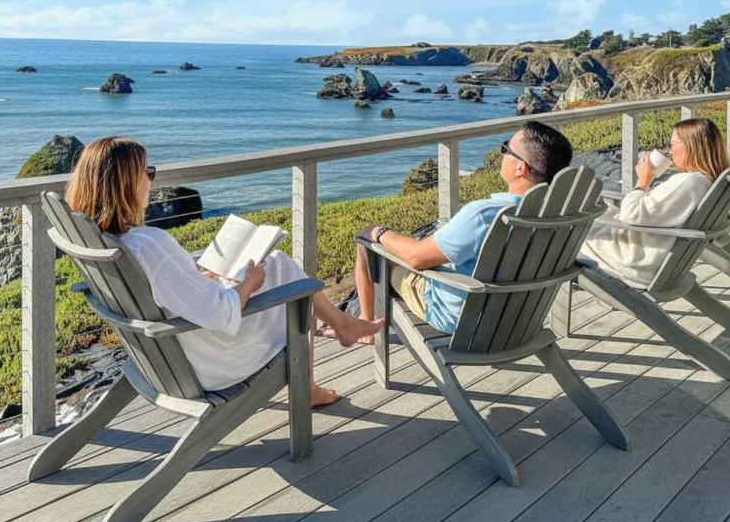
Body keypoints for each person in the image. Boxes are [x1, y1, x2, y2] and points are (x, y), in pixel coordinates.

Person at [65, 136, 384, 407]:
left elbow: (171, 293)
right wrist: (247, 284)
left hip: (162, 353)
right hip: (208, 362)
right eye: (146, 172)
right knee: (291, 287)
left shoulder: (115, 242)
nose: (151, 179)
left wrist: (204, 278)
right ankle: (318, 373)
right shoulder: (149, 244)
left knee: (275, 263)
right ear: (126, 185)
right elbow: (219, 313)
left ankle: (343, 327)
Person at [350, 121, 573, 336]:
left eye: (506, 148)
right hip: (520, 317)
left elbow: (416, 257)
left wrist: (378, 232)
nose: (502, 153)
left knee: (368, 247)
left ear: (520, 168)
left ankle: (366, 327)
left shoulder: (485, 215)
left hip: (459, 316)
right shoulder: (558, 213)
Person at [579, 117, 729, 286]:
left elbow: (632, 215)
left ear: (691, 147)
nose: (670, 151)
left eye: (672, 145)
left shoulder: (689, 183)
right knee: (597, 207)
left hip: (633, 258)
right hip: (653, 250)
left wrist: (644, 180)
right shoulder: (706, 181)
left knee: (564, 234)